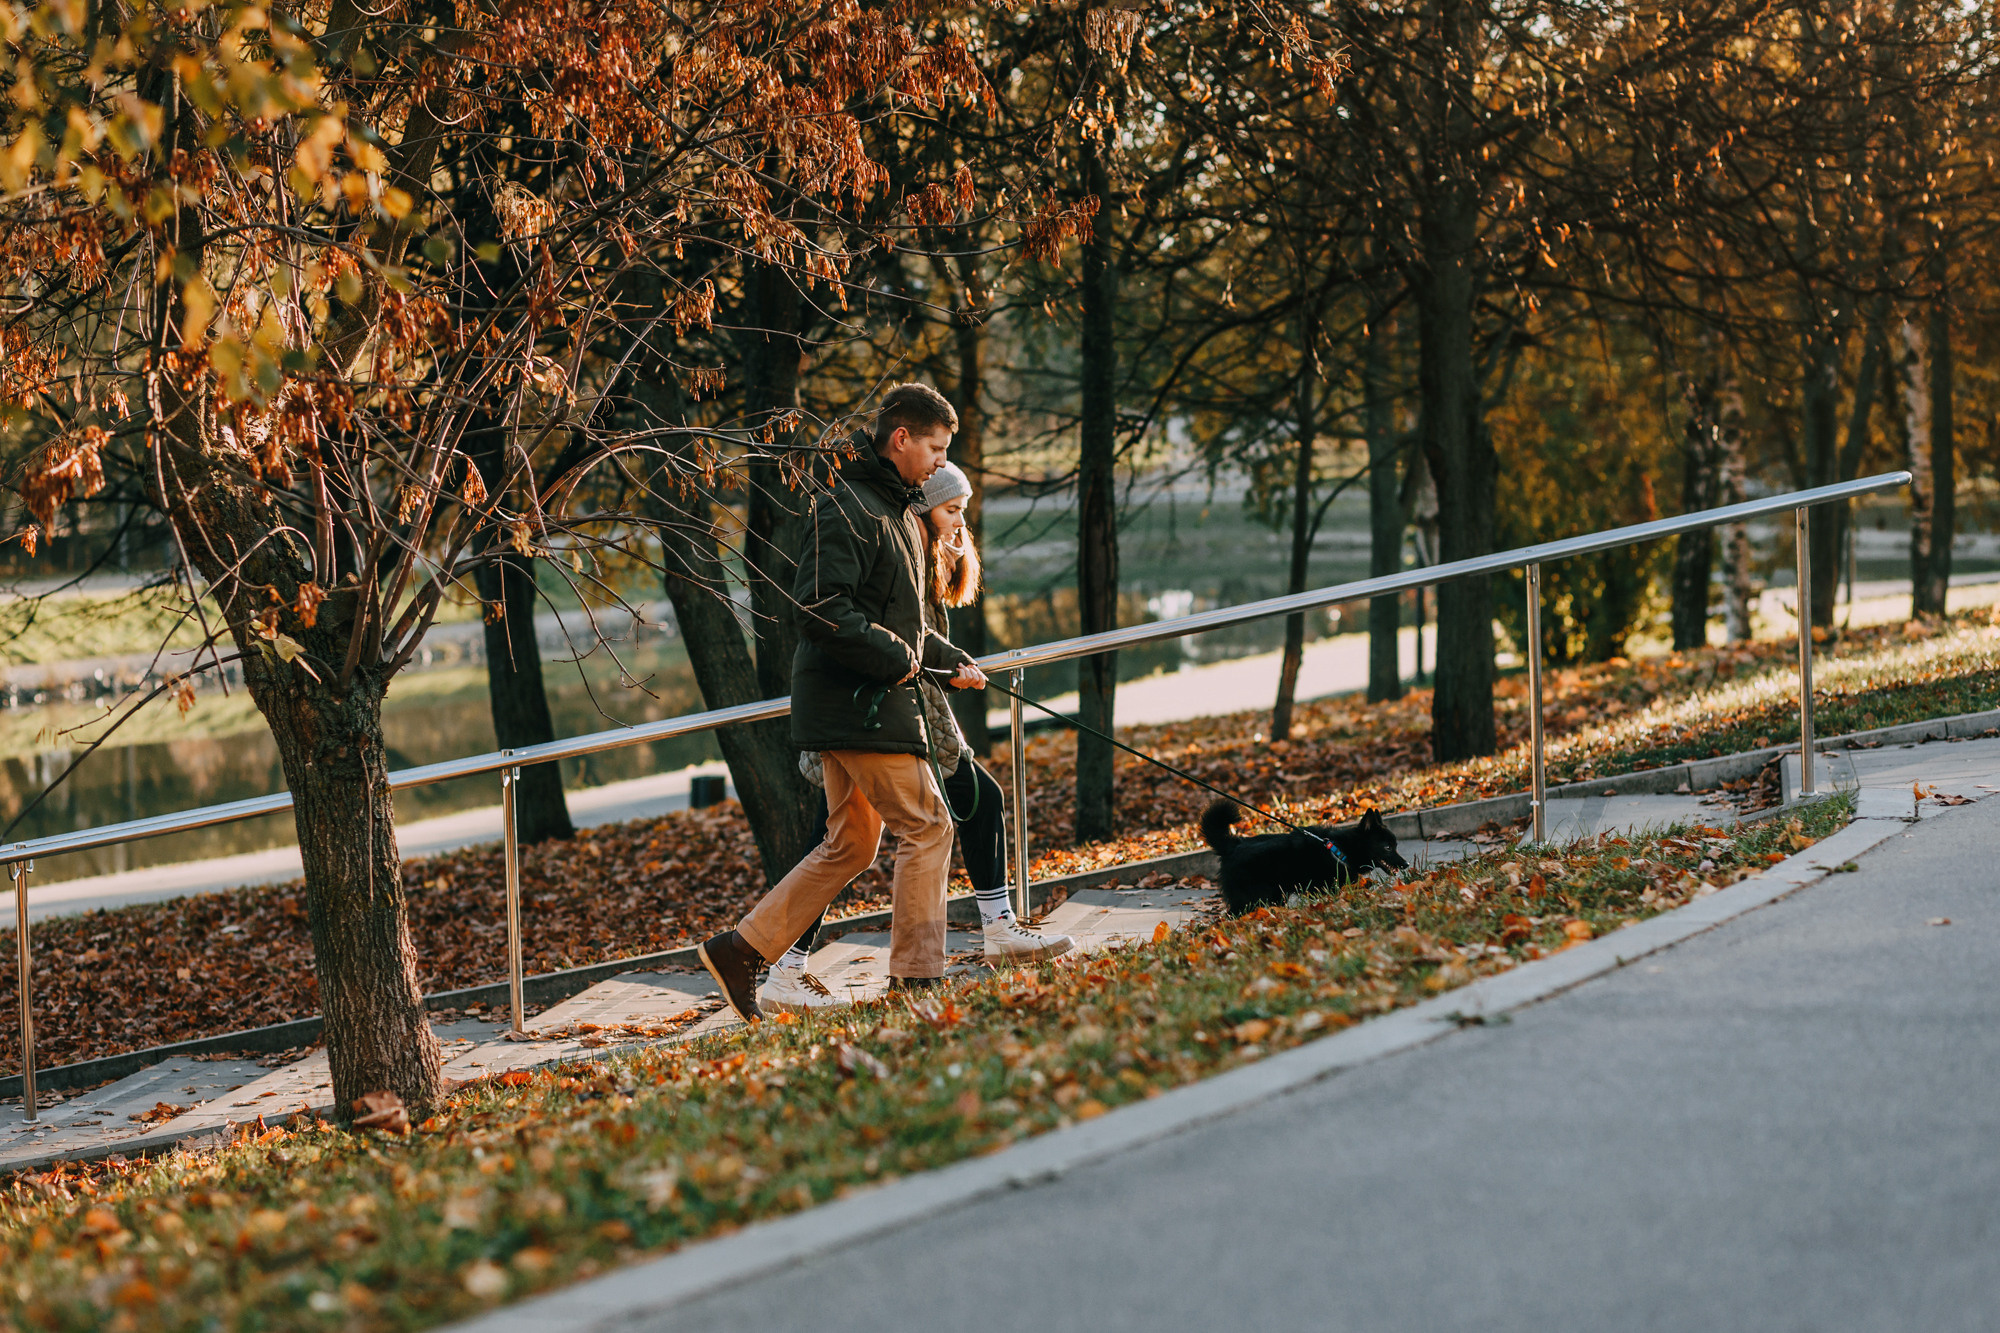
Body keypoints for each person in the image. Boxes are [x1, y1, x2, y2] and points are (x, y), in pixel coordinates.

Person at [698, 384, 986, 1023]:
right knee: (929, 826)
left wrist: (945, 660)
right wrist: (895, 656)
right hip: (858, 706)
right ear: (901, 438)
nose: (941, 463)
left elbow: (901, 625)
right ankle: (917, 981)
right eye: (936, 449)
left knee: (852, 845)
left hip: (866, 701)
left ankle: (741, 951)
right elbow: (818, 608)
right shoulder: (847, 506)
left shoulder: (895, 511)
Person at [759, 462, 1073, 1014]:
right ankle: (914, 969)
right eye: (951, 510)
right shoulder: (887, 541)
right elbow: (852, 625)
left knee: (845, 842)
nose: (959, 523)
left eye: (962, 512)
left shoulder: (920, 549)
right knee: (891, 833)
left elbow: (919, 642)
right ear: (922, 505)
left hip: (894, 716)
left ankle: (772, 962)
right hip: (876, 717)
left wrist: (952, 661)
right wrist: (936, 701)